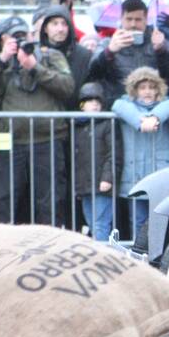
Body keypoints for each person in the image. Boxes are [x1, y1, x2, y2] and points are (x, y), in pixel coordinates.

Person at [0, 16, 76, 225]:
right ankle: (2, 248)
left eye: (25, 36)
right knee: (3, 200)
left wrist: (34, 67)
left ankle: (50, 249)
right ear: (3, 40)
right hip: (9, 141)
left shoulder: (50, 56)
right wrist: (2, 60)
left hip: (48, 139)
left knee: (49, 202)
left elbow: (67, 87)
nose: (22, 41)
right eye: (15, 37)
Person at [112, 67, 169, 236]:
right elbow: (118, 105)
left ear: (158, 89)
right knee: (137, 221)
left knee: (161, 219)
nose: (147, 92)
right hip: (135, 174)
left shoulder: (166, 105)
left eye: (152, 87)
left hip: (159, 173)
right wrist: (140, 122)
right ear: (134, 90)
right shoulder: (125, 105)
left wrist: (154, 118)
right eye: (142, 88)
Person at [87, 0, 169, 105]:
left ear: (146, 19)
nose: (133, 24)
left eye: (138, 20)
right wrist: (109, 52)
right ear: (121, 19)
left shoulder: (159, 40)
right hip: (119, 107)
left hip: (153, 108)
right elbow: (92, 74)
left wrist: (161, 52)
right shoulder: (109, 42)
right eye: (129, 19)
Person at [72, 82, 118, 241]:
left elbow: (113, 153)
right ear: (82, 105)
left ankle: (103, 260)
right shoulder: (77, 126)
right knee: (93, 225)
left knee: (100, 226)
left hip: (102, 184)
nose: (95, 105)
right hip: (84, 186)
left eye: (98, 102)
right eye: (90, 101)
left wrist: (107, 178)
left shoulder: (107, 124)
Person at [37, 4, 92, 97]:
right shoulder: (36, 53)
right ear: (45, 28)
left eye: (64, 24)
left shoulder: (84, 55)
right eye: (55, 24)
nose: (60, 29)